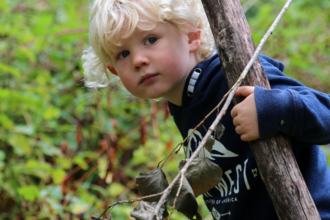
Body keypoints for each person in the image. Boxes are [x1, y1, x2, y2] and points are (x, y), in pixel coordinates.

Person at [82, 0, 330, 219]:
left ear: (191, 36)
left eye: (151, 40)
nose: (138, 60)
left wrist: (272, 109)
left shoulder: (232, 75)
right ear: (113, 70)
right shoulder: (183, 103)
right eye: (123, 54)